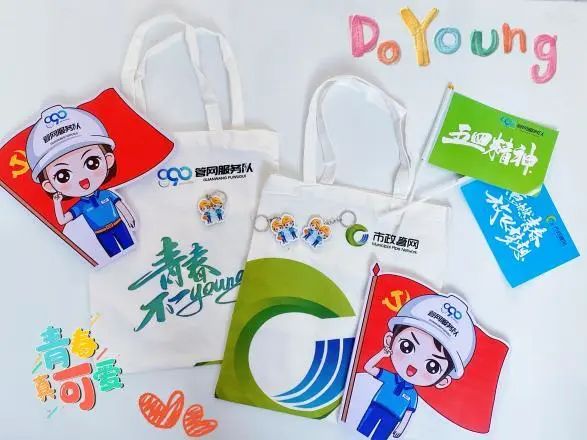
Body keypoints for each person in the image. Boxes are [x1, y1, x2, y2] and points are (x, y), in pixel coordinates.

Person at [357, 294, 476, 439]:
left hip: (393, 417)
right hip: (376, 406)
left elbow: (408, 413)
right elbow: (368, 368)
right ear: (389, 341)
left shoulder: (412, 395)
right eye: (407, 346)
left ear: (443, 381)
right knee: (360, 432)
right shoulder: (390, 378)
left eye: (433, 366)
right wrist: (382, 354)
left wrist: (400, 429)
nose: (414, 364)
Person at [26, 105, 136, 258]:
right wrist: (57, 202)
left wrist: (129, 218)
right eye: (63, 175)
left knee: (133, 249)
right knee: (117, 258)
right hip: (101, 234)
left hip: (119, 226)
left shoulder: (107, 194)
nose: (82, 178)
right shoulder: (80, 206)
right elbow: (62, 220)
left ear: (108, 159)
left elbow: (120, 205)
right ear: (49, 185)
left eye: (92, 162)